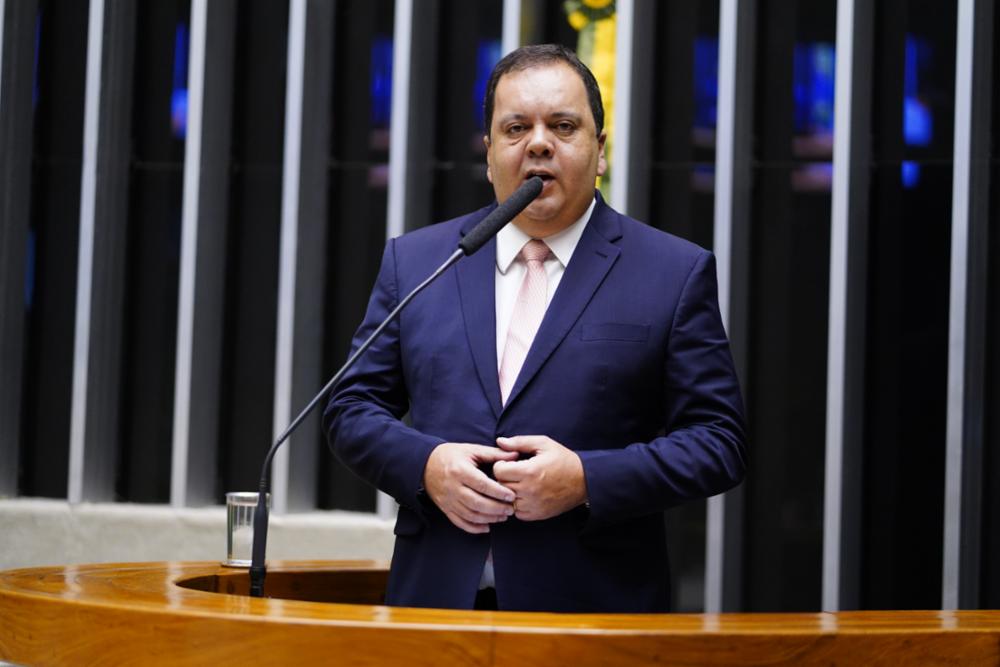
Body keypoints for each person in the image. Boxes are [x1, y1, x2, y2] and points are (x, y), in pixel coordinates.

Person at [323, 44, 746, 613]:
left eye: (564, 126)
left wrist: (586, 479)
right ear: (490, 153)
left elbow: (718, 443)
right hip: (436, 608)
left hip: (593, 613)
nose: (539, 143)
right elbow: (350, 409)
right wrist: (425, 467)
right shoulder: (420, 262)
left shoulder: (672, 272)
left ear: (600, 152)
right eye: (516, 127)